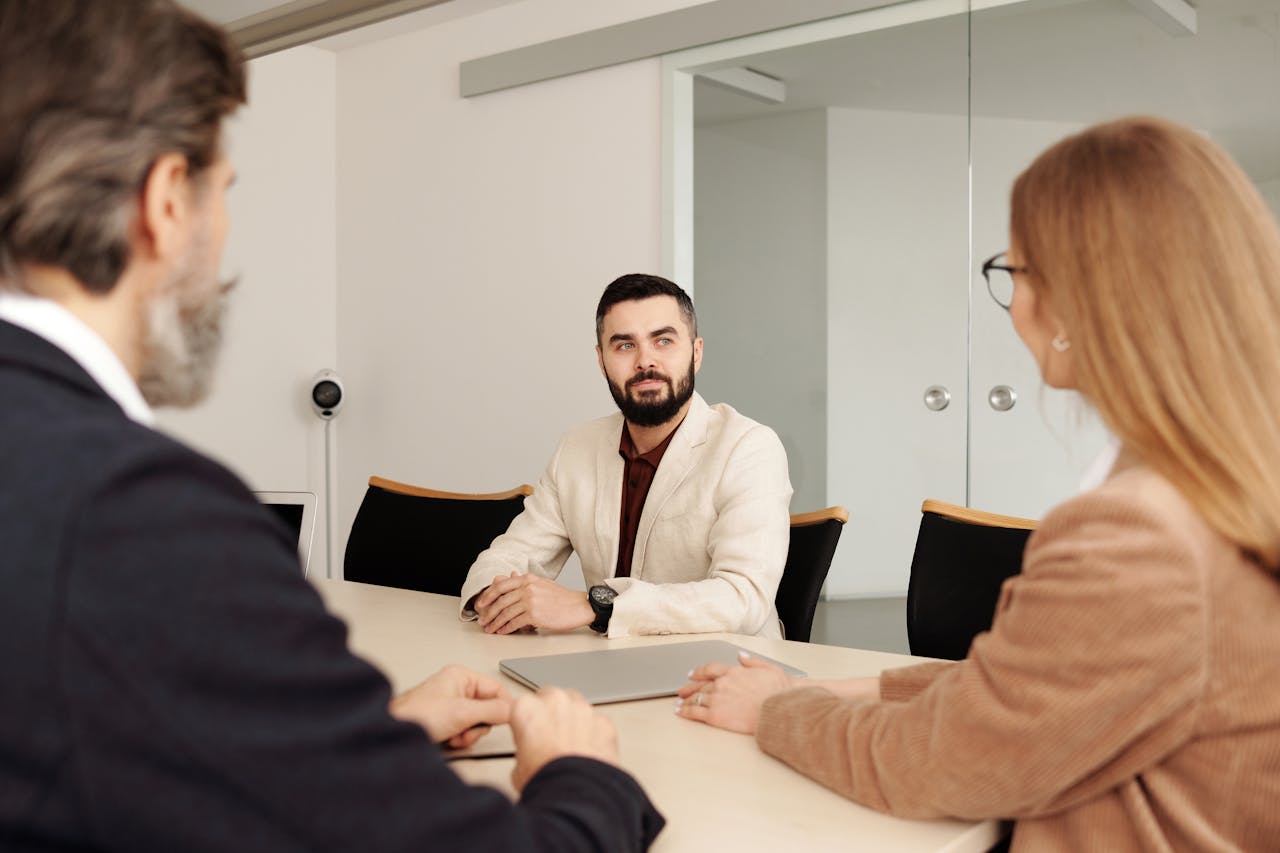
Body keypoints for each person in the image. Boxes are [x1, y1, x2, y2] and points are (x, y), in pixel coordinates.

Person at [0, 2, 663, 850]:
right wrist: (587, 777)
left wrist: (345, 740)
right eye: (223, 196)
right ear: (167, 201)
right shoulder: (142, 515)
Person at [675, 116, 1280, 850]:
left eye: (1015, 269)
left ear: (1077, 296)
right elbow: (1029, 695)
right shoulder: (1222, 482)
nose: (1014, 301)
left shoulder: (1140, 531)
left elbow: (945, 761)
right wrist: (819, 689)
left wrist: (775, 713)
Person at [460, 273, 793, 638]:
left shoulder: (749, 448)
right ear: (602, 361)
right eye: (624, 346)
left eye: (663, 341)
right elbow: (509, 556)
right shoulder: (576, 448)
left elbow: (742, 599)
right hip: (607, 666)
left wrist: (596, 606)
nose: (645, 361)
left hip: (725, 674)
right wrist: (494, 597)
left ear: (696, 353)